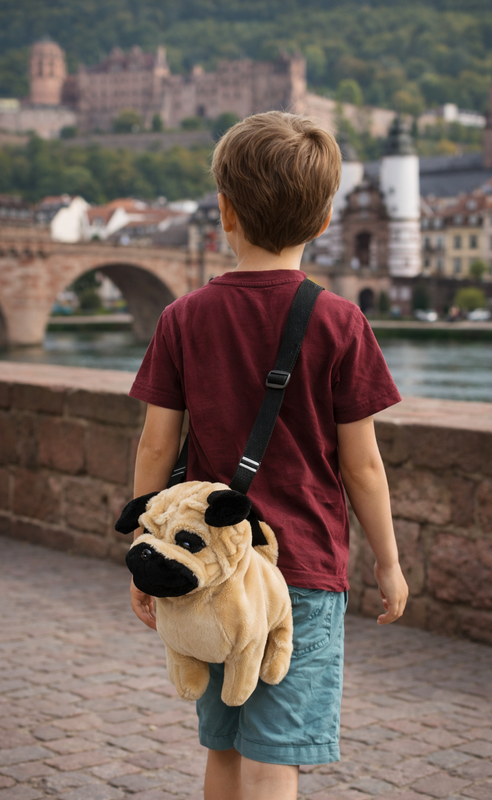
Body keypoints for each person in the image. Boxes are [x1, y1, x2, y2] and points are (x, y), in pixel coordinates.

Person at [127, 111, 409, 800]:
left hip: (207, 566)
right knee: (273, 753)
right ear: (322, 221)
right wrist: (391, 564)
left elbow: (157, 445)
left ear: (224, 209)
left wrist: (145, 546)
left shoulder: (182, 316)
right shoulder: (341, 322)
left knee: (223, 747)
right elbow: (363, 467)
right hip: (302, 573)